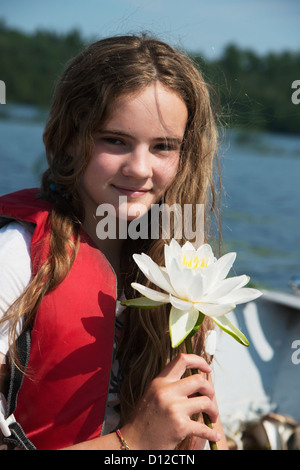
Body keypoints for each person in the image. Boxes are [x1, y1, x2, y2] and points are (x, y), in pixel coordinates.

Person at [0, 33, 228, 450]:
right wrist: (134, 442)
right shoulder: (17, 259)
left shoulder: (189, 281)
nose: (139, 169)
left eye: (163, 147)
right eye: (115, 140)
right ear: (71, 137)